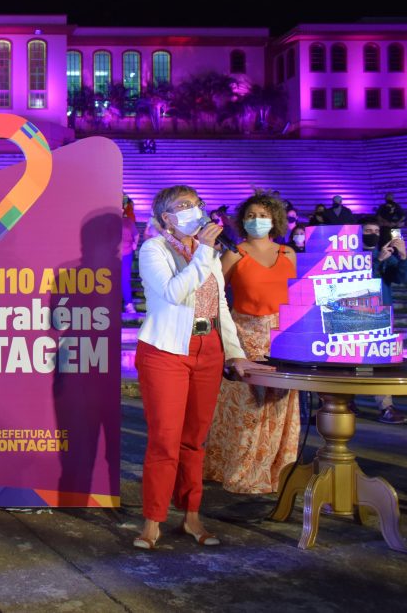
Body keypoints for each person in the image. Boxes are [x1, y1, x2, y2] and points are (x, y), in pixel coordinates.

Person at [133, 185, 270, 550]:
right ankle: (153, 520)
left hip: (208, 348)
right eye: (184, 205)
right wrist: (204, 252)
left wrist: (234, 353)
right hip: (165, 350)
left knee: (194, 441)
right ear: (167, 218)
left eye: (196, 204)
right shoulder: (154, 249)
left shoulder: (206, 251)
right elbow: (174, 293)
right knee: (165, 440)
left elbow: (219, 305)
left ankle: (191, 515)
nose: (195, 210)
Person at [203, 194, 299, 495]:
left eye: (263, 215)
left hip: (283, 337)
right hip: (244, 335)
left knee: (279, 406)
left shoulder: (288, 253)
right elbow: (211, 295)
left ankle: (276, 471)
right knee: (247, 407)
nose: (257, 220)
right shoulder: (235, 254)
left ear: (275, 219)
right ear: (242, 221)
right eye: (251, 215)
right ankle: (240, 470)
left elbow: (298, 295)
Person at [360, 217, 407, 424]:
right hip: (351, 313)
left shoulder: (384, 252)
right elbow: (357, 280)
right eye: (368, 230)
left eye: (375, 231)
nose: (372, 234)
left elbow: (402, 278)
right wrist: (378, 262)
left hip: (380, 313)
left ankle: (385, 406)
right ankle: (345, 400)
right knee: (346, 358)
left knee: (379, 360)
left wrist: (403, 255)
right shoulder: (348, 255)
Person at [121, 196, 140, 314]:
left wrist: (135, 244)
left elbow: (136, 235)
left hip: (126, 254)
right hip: (111, 255)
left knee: (124, 279)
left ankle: (128, 304)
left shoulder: (128, 221)